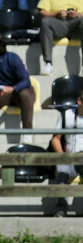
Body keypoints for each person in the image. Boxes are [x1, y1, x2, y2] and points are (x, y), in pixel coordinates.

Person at [49, 87, 83, 217]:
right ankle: (61, 209)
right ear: (79, 101)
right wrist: (62, 156)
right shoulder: (66, 115)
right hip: (70, 158)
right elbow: (55, 139)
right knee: (62, 167)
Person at [39, 0, 83, 76]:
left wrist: (78, 14)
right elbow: (42, 12)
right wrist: (56, 14)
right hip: (58, 23)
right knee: (45, 22)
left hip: (77, 23)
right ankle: (48, 64)